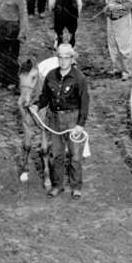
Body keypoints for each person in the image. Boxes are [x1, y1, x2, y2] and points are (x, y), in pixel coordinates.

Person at [37, 42, 89, 199]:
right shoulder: (51, 76)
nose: (63, 61)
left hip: (72, 119)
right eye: (60, 57)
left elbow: (84, 103)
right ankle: (57, 185)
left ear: (72, 59)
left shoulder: (79, 78)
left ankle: (76, 187)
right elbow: (45, 97)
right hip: (54, 119)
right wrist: (36, 105)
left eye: (66, 58)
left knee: (75, 155)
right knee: (57, 154)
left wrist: (80, 125)